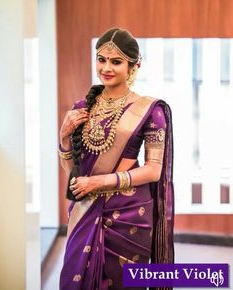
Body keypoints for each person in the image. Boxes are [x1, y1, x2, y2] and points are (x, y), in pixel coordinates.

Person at [59, 27, 174, 290]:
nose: (106, 67)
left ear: (135, 65)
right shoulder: (81, 108)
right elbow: (73, 173)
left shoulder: (150, 110)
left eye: (116, 61)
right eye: (101, 59)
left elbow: (154, 170)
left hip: (128, 214)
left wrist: (99, 183)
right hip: (86, 209)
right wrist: (64, 138)